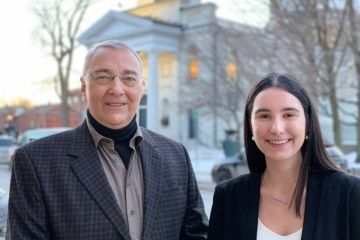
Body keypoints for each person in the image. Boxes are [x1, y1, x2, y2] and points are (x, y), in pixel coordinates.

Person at [6, 40, 208, 240]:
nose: (117, 89)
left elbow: (196, 233)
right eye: (103, 77)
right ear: (84, 87)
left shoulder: (176, 155)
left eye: (129, 78)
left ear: (141, 87)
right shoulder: (36, 162)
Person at [208, 73, 360, 240]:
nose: (277, 128)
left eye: (289, 115)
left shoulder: (349, 194)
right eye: (264, 116)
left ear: (308, 124)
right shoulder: (229, 197)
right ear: (251, 127)